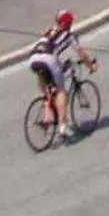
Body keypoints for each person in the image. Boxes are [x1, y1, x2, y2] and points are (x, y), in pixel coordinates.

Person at [29, 9, 96, 139]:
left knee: (46, 84)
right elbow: (80, 51)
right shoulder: (69, 35)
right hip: (49, 58)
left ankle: (47, 106)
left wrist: (62, 65)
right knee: (61, 91)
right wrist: (90, 64)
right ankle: (63, 126)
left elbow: (49, 45)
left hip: (33, 57)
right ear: (69, 23)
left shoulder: (49, 30)